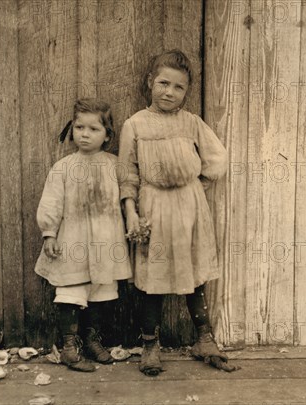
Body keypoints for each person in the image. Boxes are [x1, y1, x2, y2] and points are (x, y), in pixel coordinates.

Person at [118, 49, 239, 376]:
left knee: (193, 272)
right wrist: (131, 212)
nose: (169, 92)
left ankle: (204, 339)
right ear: (149, 83)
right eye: (163, 83)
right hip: (153, 207)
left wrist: (198, 186)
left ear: (187, 92)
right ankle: (150, 345)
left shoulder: (191, 123)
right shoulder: (135, 125)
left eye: (178, 87)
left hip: (189, 205)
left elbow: (217, 159)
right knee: (150, 278)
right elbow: (127, 174)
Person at [34, 98, 132, 372]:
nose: (85, 134)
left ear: (108, 136)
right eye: (79, 127)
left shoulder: (115, 165)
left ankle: (91, 341)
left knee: (101, 292)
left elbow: (129, 196)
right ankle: (69, 346)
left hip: (105, 241)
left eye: (93, 129)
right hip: (72, 241)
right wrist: (49, 233)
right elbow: (51, 202)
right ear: (72, 129)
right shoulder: (64, 167)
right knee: (71, 291)